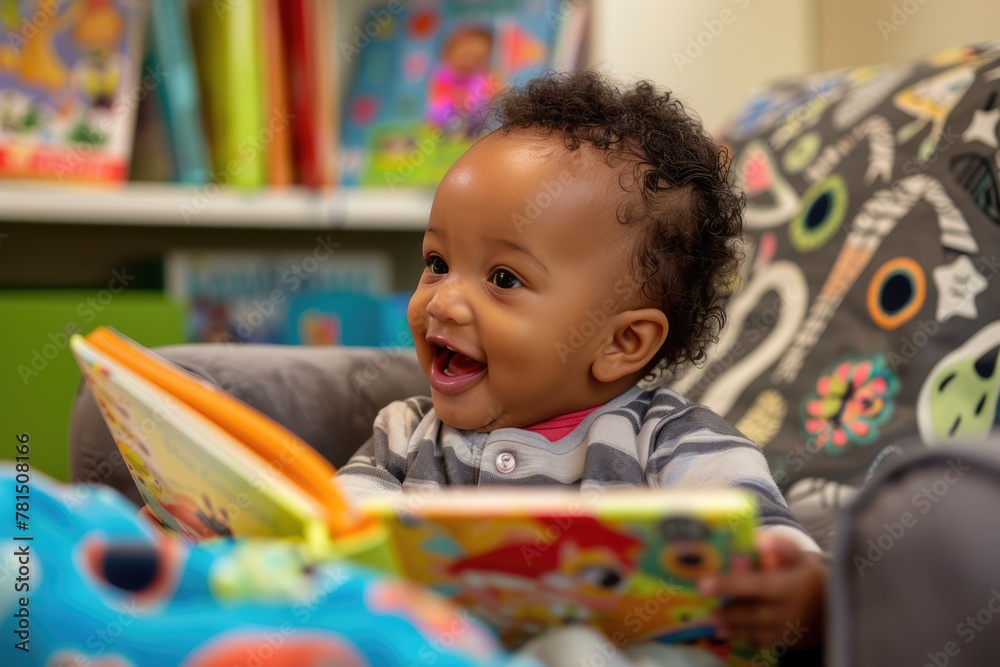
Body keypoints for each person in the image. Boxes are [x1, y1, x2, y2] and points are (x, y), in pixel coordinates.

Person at [337, 71, 826, 665]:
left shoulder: (672, 442)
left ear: (621, 342)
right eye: (437, 262)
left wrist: (803, 593)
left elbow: (759, 541)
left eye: (503, 278)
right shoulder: (404, 433)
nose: (441, 302)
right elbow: (335, 537)